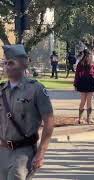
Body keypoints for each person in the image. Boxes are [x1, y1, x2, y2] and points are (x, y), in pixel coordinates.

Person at [0, 44, 54, 180]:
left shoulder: (36, 89)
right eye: (5, 63)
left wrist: (41, 152)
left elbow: (49, 121)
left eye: (11, 63)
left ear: (24, 65)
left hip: (23, 153)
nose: (6, 66)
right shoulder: (2, 90)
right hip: (2, 150)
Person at [74, 49, 94, 124]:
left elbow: (77, 75)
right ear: (90, 55)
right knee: (89, 101)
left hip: (82, 82)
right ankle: (89, 118)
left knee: (83, 101)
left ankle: (80, 119)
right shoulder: (93, 63)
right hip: (91, 82)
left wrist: (75, 84)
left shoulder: (80, 63)